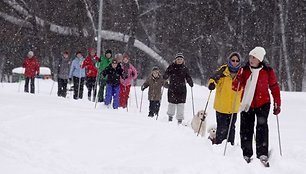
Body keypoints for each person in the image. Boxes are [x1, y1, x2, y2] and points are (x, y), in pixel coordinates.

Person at [232, 46, 281, 163]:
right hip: (247, 104)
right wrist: (238, 79)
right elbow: (235, 87)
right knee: (245, 130)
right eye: (250, 57)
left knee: (262, 128)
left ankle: (262, 153)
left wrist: (277, 103)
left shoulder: (267, 71)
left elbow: (274, 87)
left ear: (260, 59)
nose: (251, 60)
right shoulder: (245, 70)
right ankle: (246, 153)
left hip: (263, 103)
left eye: (254, 57)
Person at [207, 52, 242, 145]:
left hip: (234, 107)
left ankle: (230, 146)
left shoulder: (242, 73)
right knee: (221, 128)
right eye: (233, 60)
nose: (235, 62)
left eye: (237, 61)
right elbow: (213, 78)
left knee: (231, 128)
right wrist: (211, 84)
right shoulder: (223, 70)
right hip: (221, 106)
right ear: (229, 60)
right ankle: (219, 145)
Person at [163, 53, 193, 124]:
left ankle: (180, 119)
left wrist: (190, 82)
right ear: (175, 60)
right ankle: (170, 117)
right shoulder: (171, 67)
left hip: (182, 89)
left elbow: (188, 76)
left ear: (183, 60)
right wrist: (166, 76)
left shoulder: (185, 68)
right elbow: (166, 73)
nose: (179, 61)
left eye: (181, 59)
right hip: (172, 88)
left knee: (181, 105)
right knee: (171, 104)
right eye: (178, 59)